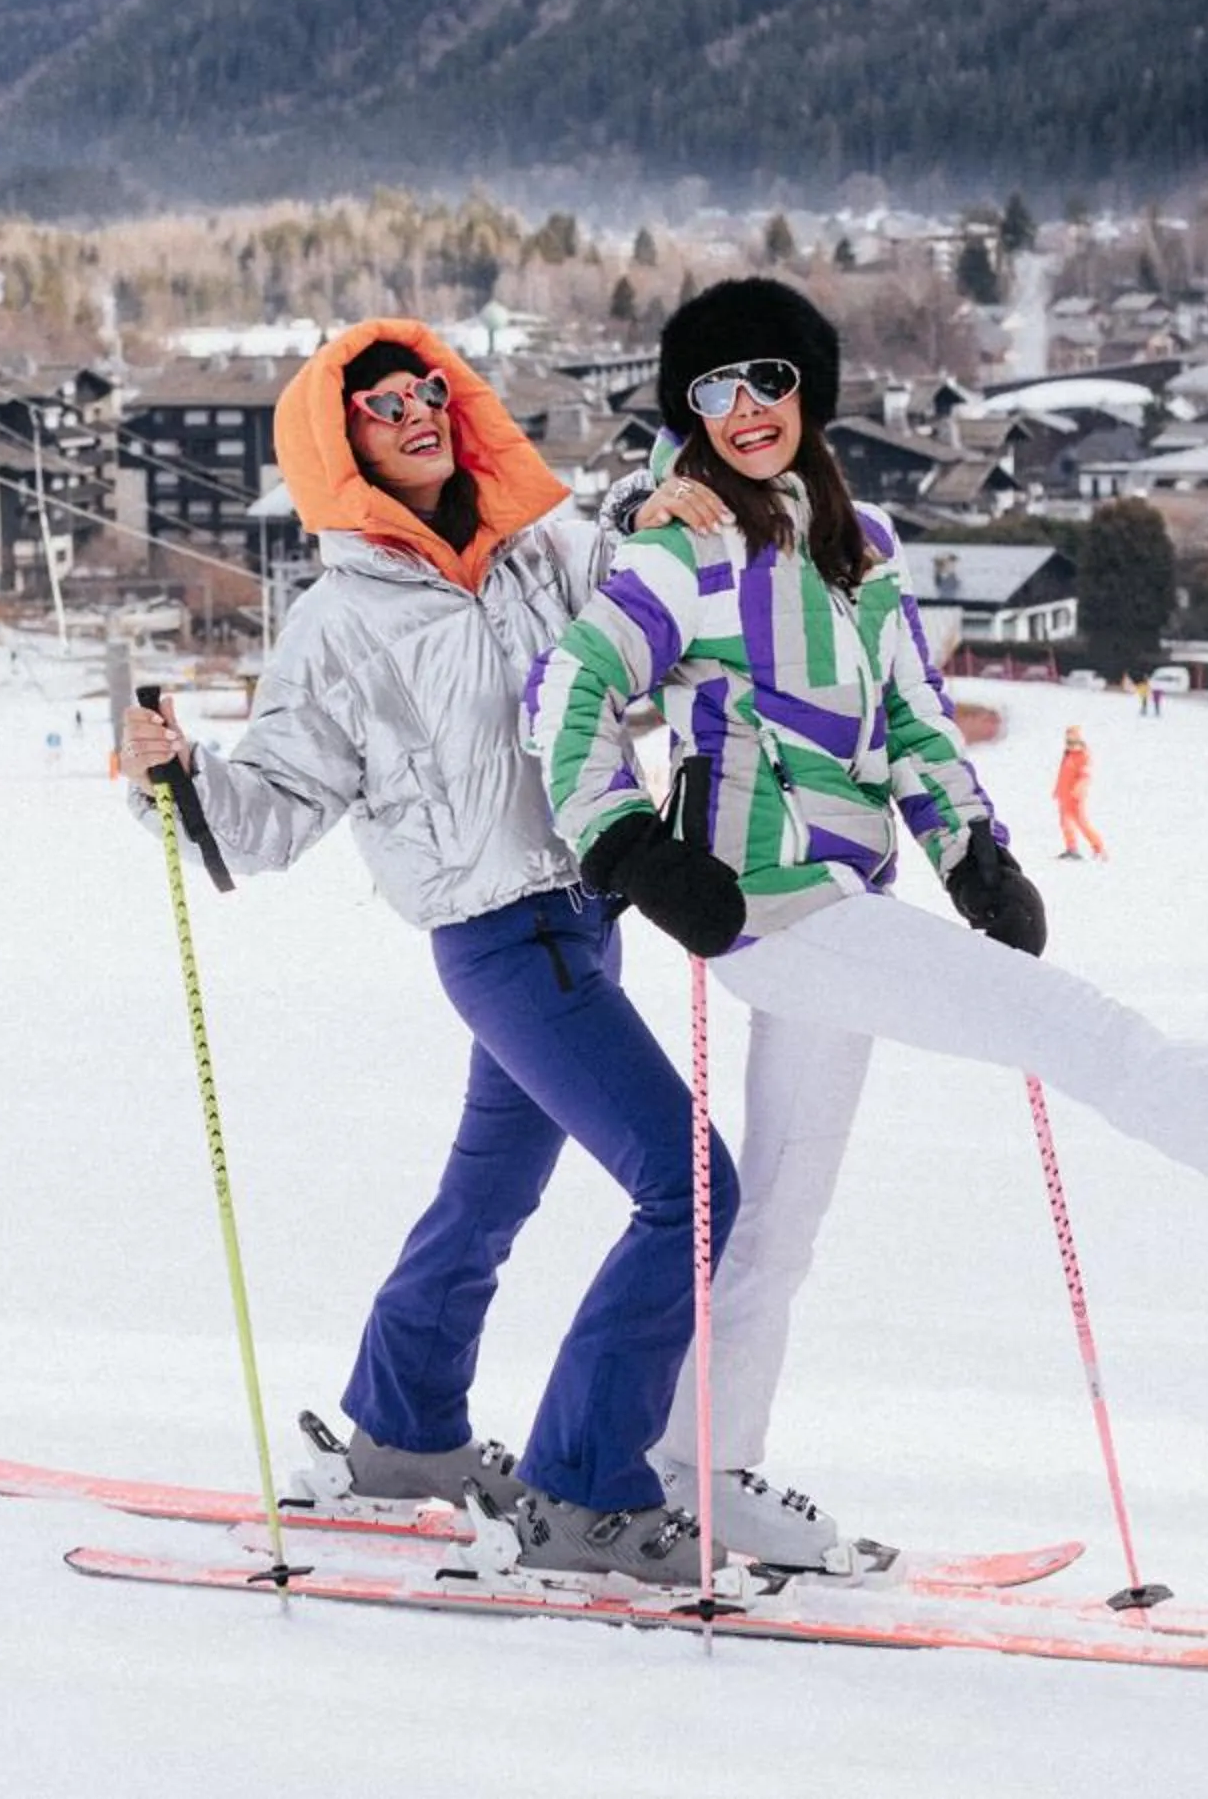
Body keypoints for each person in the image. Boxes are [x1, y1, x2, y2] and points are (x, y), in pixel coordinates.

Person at [525, 278, 1208, 1566]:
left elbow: (915, 717)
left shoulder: (860, 542)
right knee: (1077, 1031)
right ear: (685, 413)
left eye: (767, 380)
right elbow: (566, 692)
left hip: (850, 892)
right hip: (767, 906)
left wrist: (973, 848)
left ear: (812, 388)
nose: (744, 411)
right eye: (711, 391)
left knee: (777, 1225)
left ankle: (703, 1465)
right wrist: (632, 844)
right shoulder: (678, 546)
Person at [118, 320, 742, 1584]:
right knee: (693, 1190)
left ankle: (403, 1429)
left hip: (585, 918)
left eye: (428, 392)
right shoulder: (338, 623)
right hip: (502, 944)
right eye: (380, 404)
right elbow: (276, 809)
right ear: (337, 446)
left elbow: (652, 600)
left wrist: (681, 499)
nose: (414, 412)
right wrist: (178, 780)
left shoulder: (543, 556)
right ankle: (582, 1489)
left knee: (489, 1197)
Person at [1053, 726, 1107, 862]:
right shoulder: (1068, 755)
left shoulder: (1082, 755)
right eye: (1068, 741)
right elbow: (1062, 774)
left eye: (1073, 741)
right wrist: (1057, 790)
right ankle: (1071, 848)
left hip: (1076, 796)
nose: (1070, 745)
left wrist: (1078, 789)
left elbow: (1085, 775)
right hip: (1064, 795)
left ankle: (1098, 847)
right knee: (1065, 822)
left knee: (1081, 822)